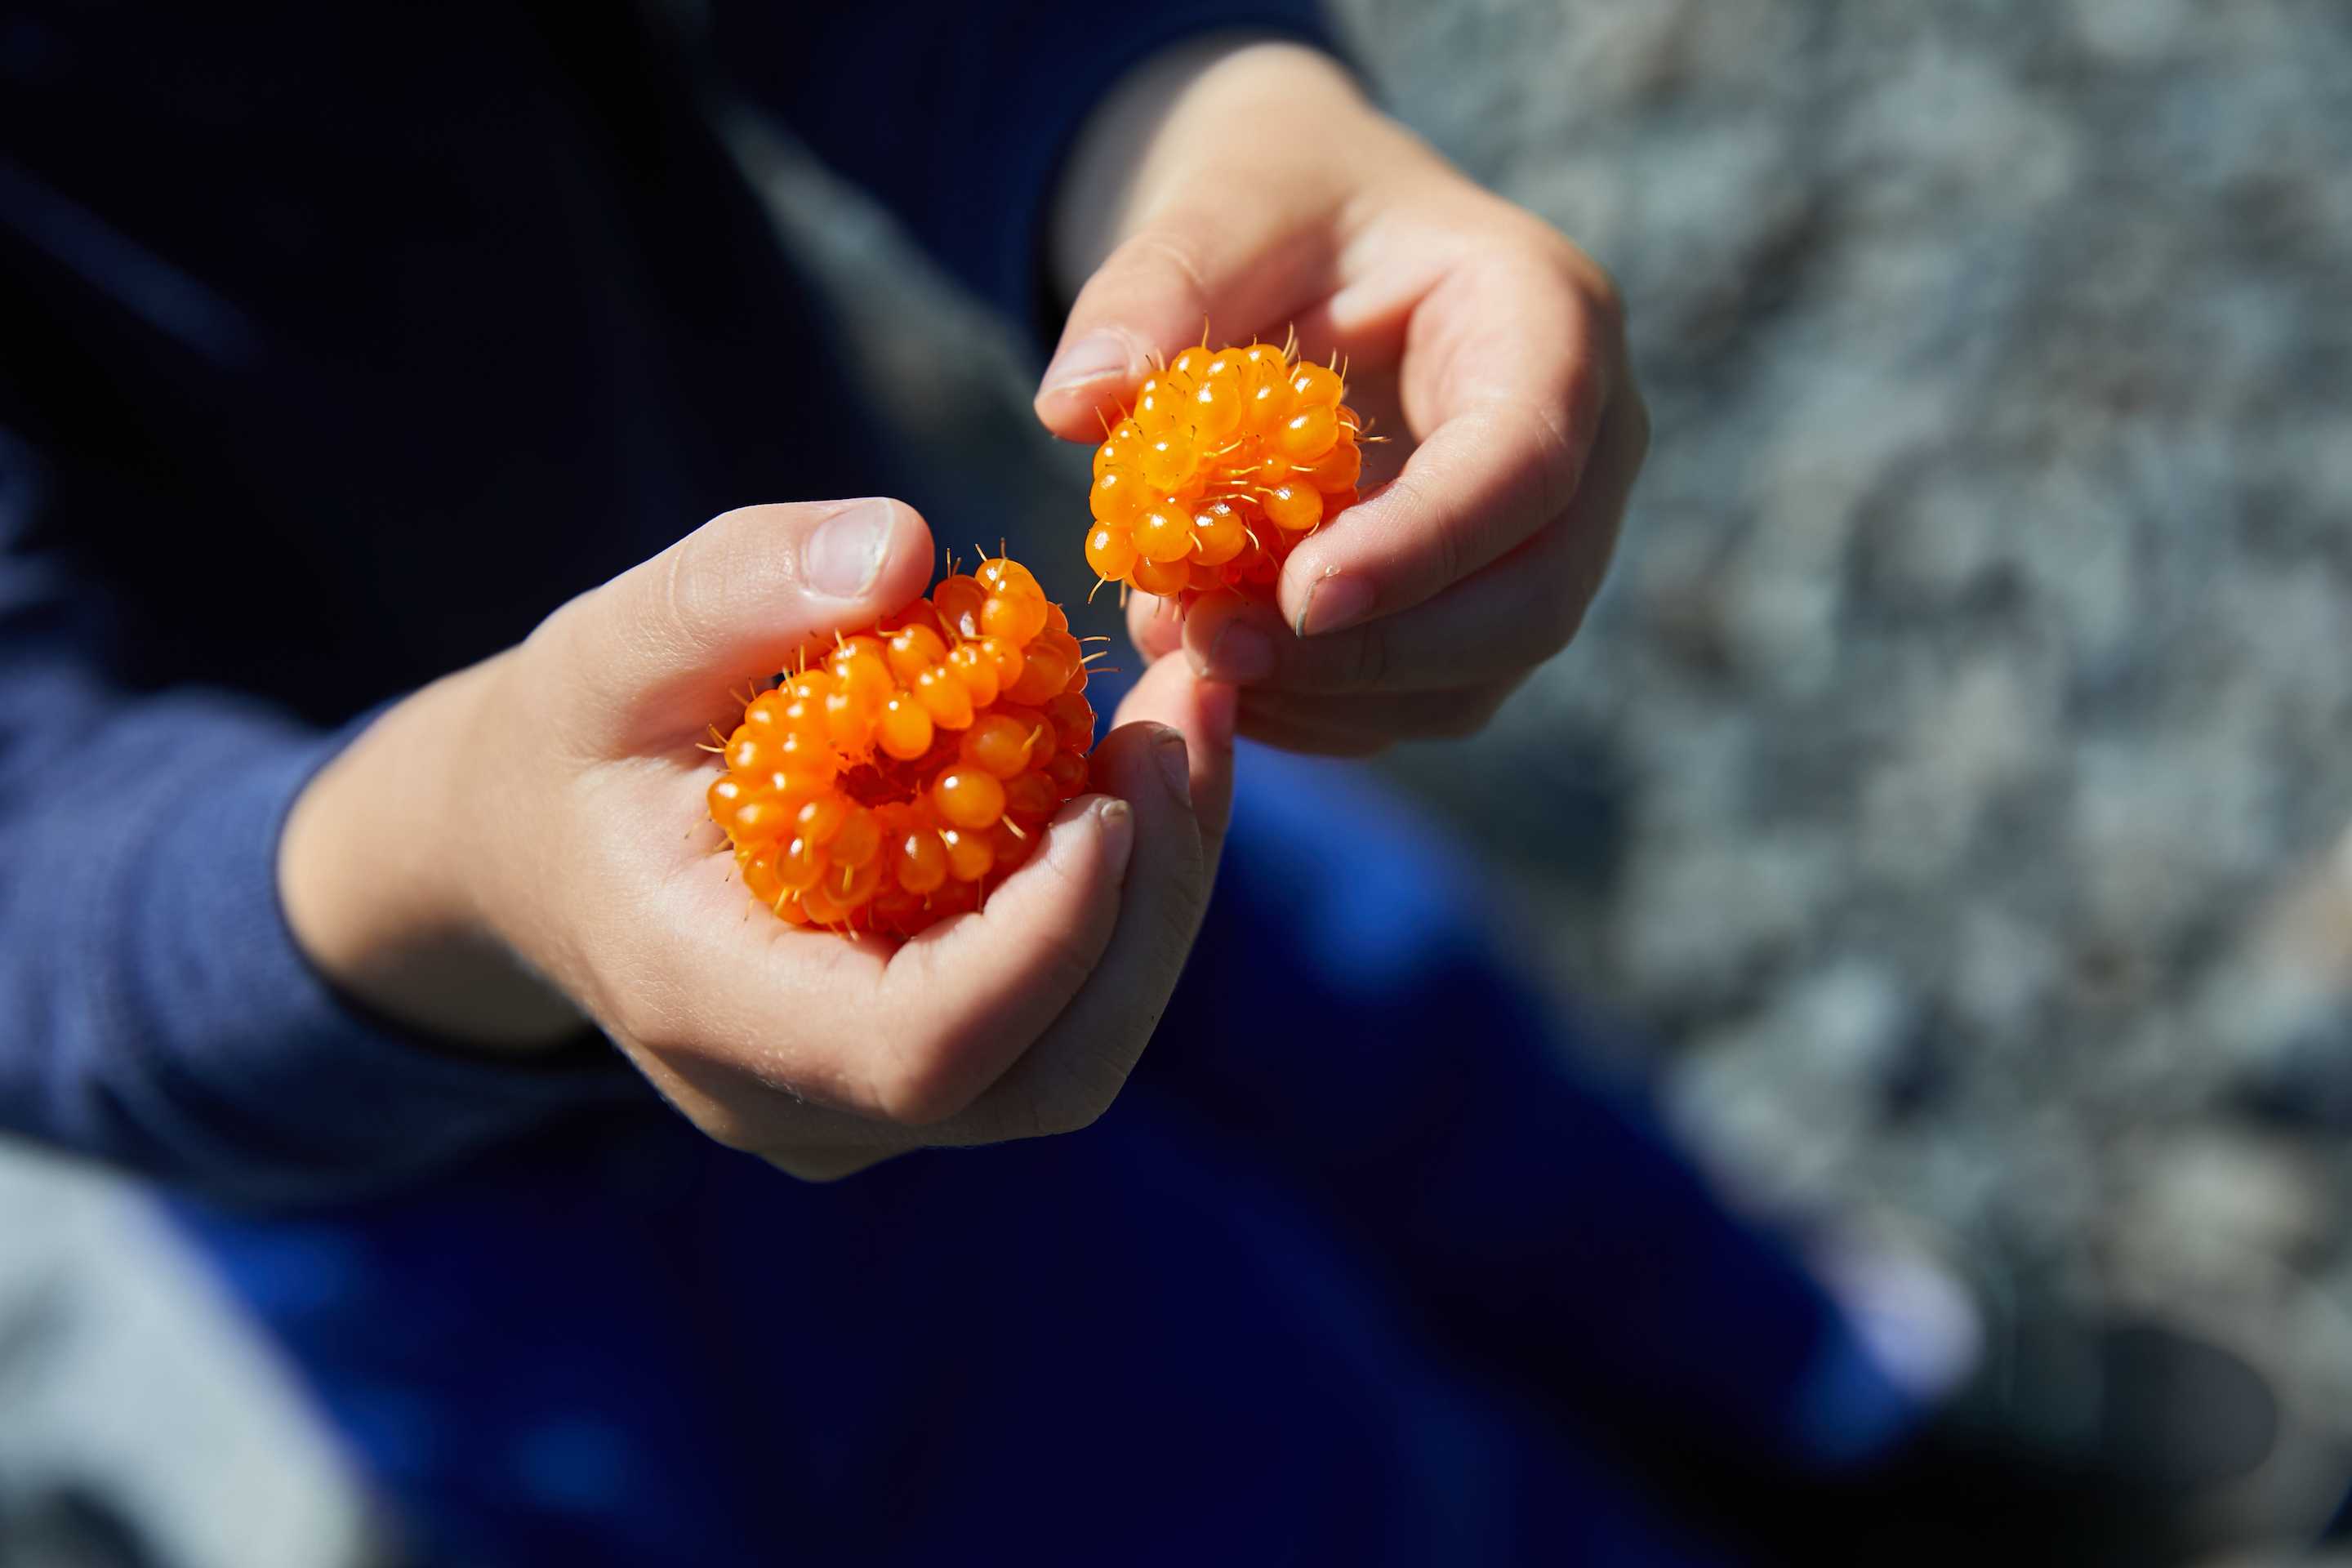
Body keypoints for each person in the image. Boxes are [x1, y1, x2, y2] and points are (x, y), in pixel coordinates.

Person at [0, 4, 2153, 1562]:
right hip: (504, 1135)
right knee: (1221, 1471)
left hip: (1042, 694)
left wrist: (1196, 126)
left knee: (1419, 1035)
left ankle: (1848, 1412)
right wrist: (478, 844)